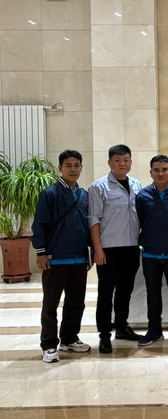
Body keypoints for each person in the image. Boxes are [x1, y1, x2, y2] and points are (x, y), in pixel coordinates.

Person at [31, 150, 92, 363]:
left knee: (76, 302)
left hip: (79, 260)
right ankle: (49, 345)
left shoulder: (84, 195)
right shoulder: (50, 194)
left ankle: (69, 338)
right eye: (68, 165)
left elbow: (88, 226)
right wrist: (41, 252)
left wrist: (89, 254)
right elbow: (39, 225)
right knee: (50, 305)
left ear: (81, 167)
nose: (73, 169)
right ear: (60, 168)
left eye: (76, 165)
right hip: (55, 259)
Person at [88, 144, 143, 354]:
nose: (122, 164)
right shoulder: (98, 186)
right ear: (109, 162)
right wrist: (97, 249)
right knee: (105, 293)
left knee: (125, 292)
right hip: (108, 249)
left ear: (131, 161)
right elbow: (93, 219)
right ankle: (104, 334)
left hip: (131, 248)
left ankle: (121, 327)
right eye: (117, 160)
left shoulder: (137, 184)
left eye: (126, 160)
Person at [135, 155, 168, 347]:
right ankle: (154, 330)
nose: (160, 173)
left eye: (164, 169)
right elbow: (140, 221)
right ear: (151, 172)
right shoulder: (142, 196)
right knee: (152, 292)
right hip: (150, 253)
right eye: (156, 170)